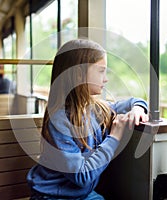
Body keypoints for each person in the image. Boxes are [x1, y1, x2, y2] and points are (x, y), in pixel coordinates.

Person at [27, 39, 149, 200]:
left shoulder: (96, 108)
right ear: (78, 74)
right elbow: (81, 176)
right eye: (101, 71)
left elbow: (133, 101)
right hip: (53, 196)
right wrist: (114, 137)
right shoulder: (60, 121)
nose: (106, 79)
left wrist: (138, 108)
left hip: (83, 194)